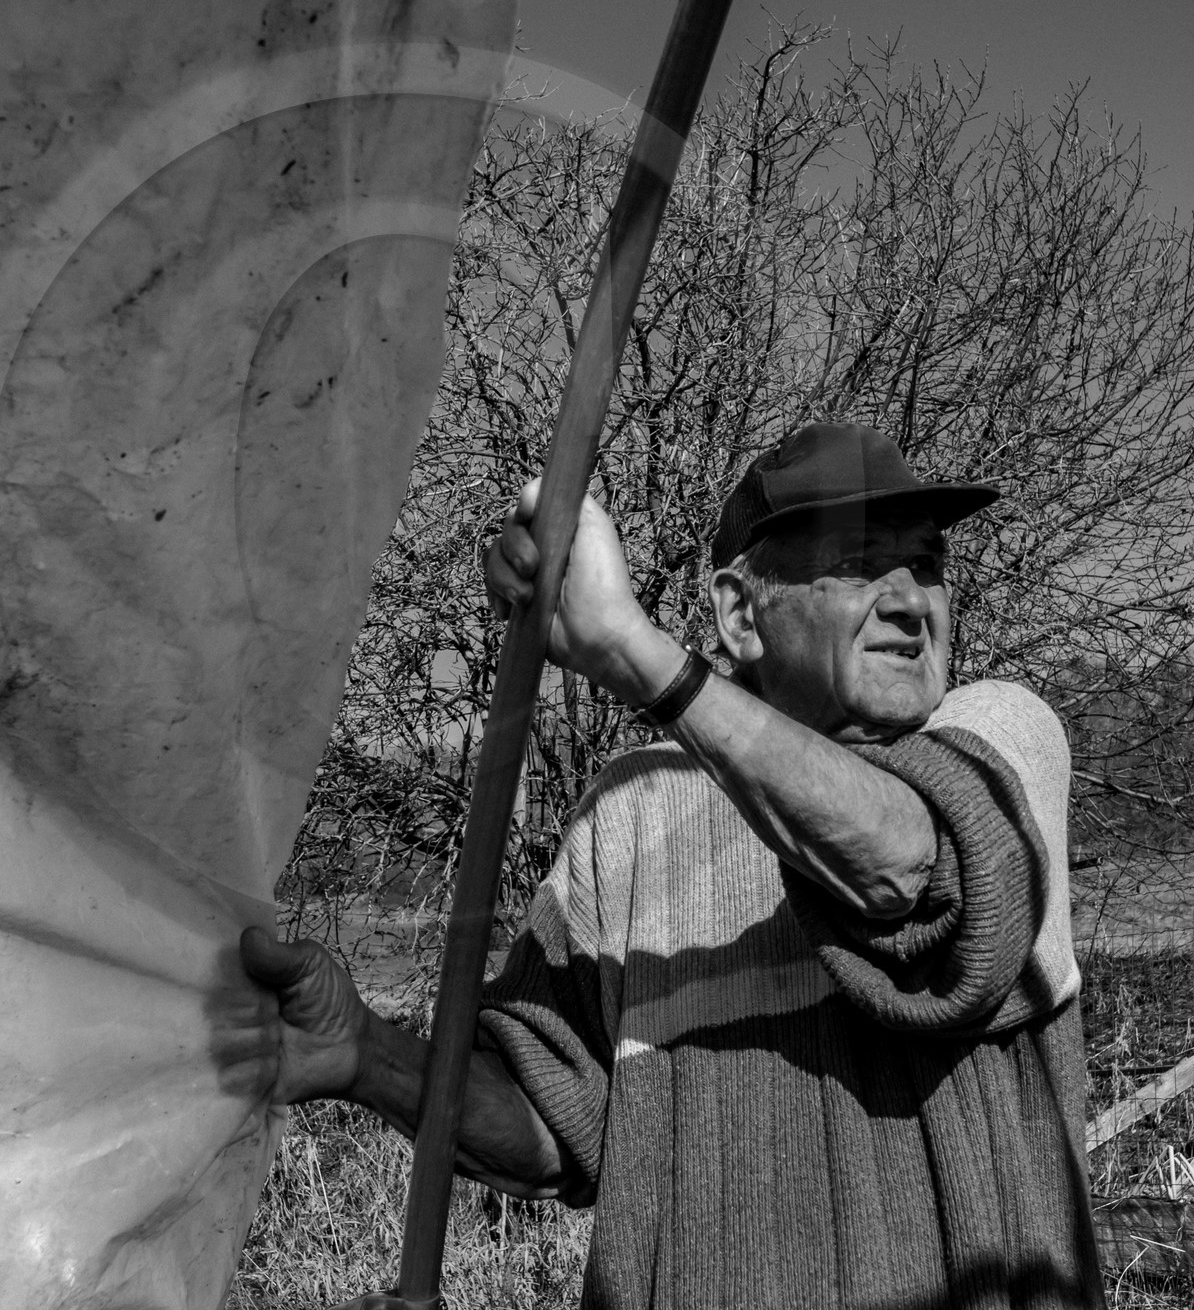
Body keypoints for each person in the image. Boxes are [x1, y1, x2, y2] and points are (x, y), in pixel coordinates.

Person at [240, 421, 1098, 1308]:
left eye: (926, 564)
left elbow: (910, 877)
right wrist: (363, 1059)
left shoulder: (1001, 737)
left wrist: (629, 651)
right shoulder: (632, 811)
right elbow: (557, 1126)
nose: (913, 600)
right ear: (738, 614)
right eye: (857, 564)